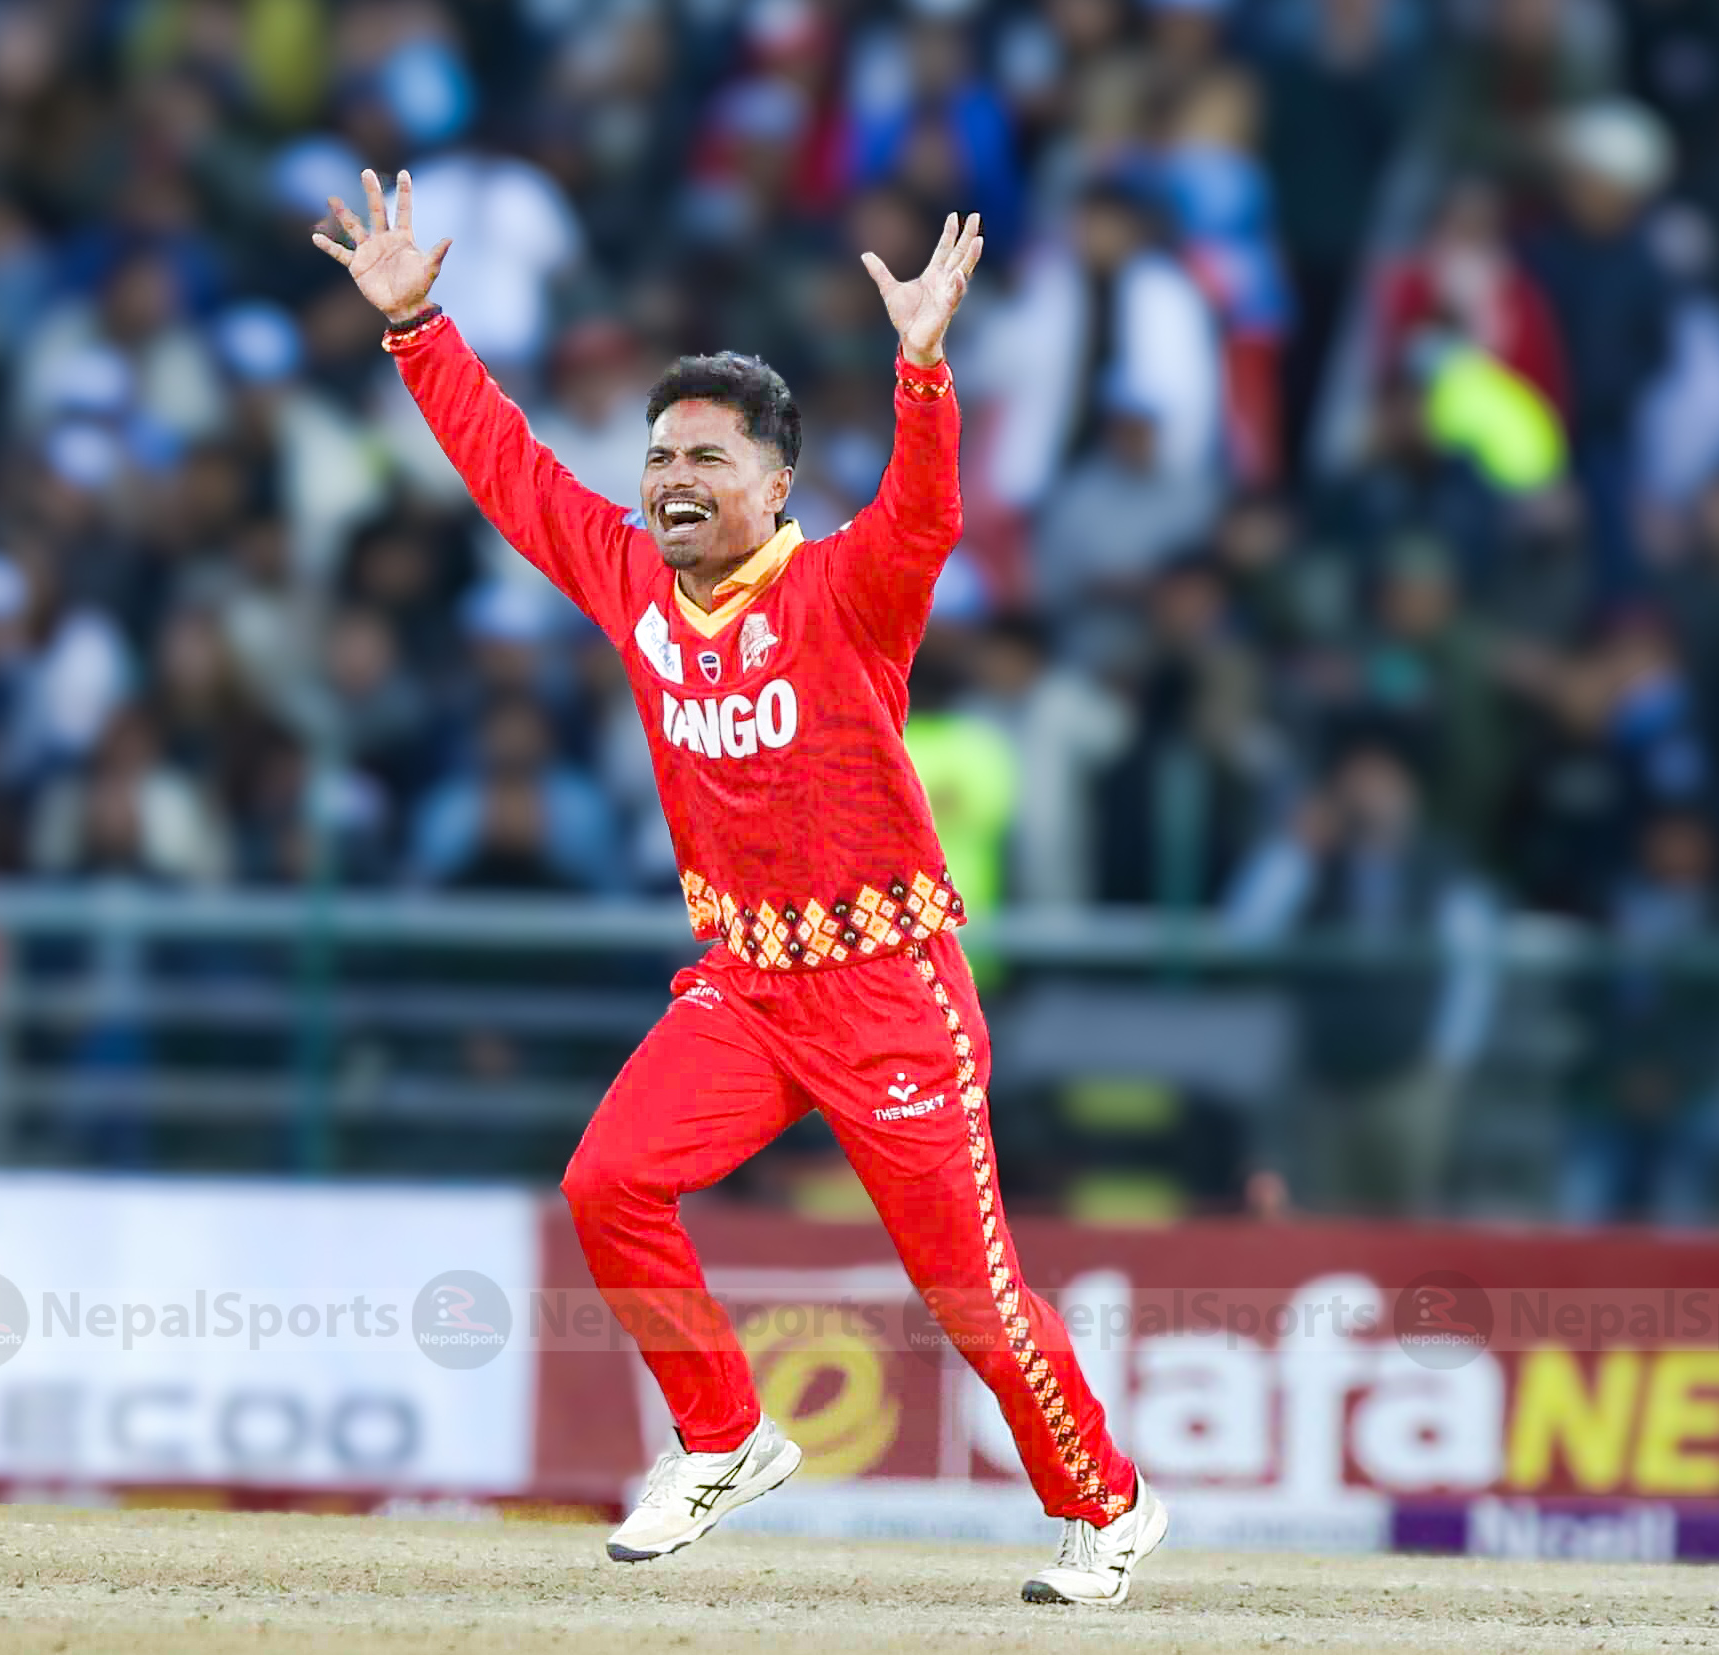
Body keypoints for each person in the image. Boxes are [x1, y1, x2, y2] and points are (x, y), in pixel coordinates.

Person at [316, 169, 1164, 1605]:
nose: (673, 480)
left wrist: (923, 370)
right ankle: (723, 1434)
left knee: (969, 1294)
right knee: (608, 1186)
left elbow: (925, 516)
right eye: (660, 456)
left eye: (708, 459)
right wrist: (417, 331)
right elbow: (514, 475)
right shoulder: (630, 581)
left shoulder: (846, 591)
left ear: (777, 486)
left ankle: (1108, 1504)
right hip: (749, 989)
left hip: (890, 997)